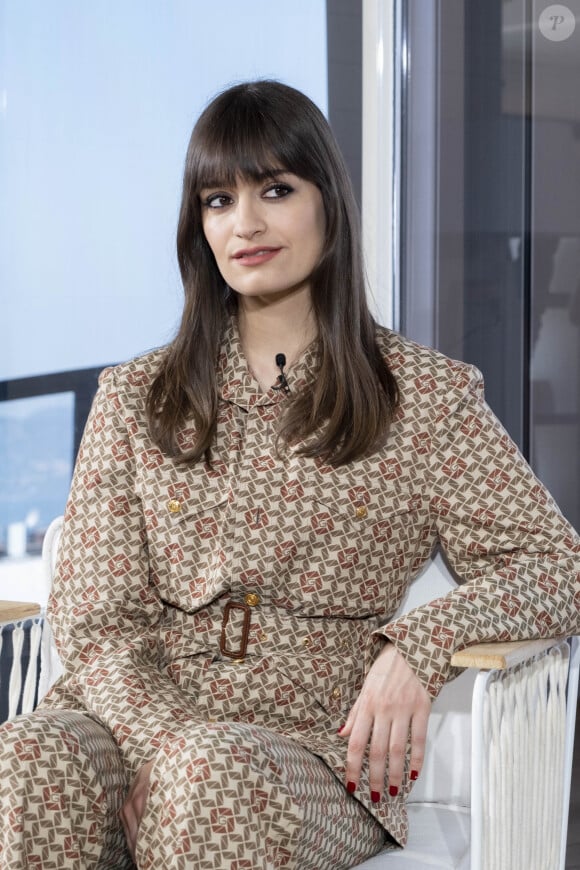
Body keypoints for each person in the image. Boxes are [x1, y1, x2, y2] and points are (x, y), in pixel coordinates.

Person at [1, 80, 578, 870]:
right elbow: (99, 625)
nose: (245, 223)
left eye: (275, 189)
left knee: (211, 778)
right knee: (25, 759)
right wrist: (166, 748)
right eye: (217, 199)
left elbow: (558, 567)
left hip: (308, 752)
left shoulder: (425, 399)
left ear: (328, 204)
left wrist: (421, 644)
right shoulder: (135, 395)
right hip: (136, 724)